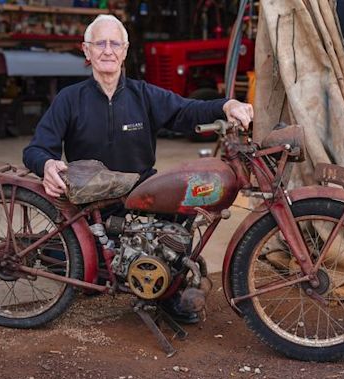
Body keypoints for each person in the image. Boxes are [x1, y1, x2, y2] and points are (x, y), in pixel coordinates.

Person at [23, 14, 254, 324]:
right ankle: (96, 266)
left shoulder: (143, 94)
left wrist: (226, 105)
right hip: (91, 200)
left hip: (141, 193)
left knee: (182, 211)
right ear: (86, 51)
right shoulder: (69, 99)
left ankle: (168, 293)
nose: (107, 50)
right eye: (99, 44)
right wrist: (47, 164)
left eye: (114, 43)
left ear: (125, 50)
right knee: (79, 267)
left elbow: (187, 110)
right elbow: (36, 149)